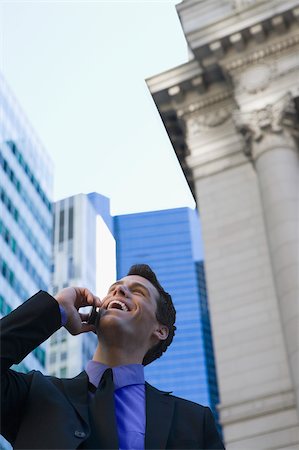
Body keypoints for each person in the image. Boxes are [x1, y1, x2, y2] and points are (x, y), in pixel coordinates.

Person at [1, 263, 225, 449]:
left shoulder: (194, 422)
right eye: (114, 288)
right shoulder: (34, 394)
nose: (119, 291)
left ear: (160, 330)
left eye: (138, 292)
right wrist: (57, 308)